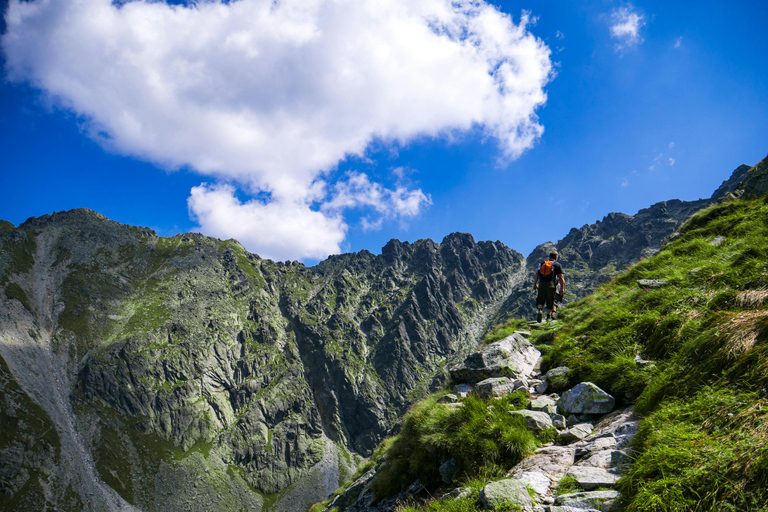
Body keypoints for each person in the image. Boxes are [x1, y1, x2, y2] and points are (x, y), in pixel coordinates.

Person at [532, 250, 565, 322]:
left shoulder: (542, 263)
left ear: (550, 256)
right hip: (551, 284)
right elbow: (561, 277)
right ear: (556, 257)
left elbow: (536, 274)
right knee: (550, 300)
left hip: (541, 284)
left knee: (541, 299)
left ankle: (540, 310)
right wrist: (562, 288)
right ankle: (548, 316)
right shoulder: (557, 265)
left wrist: (535, 284)